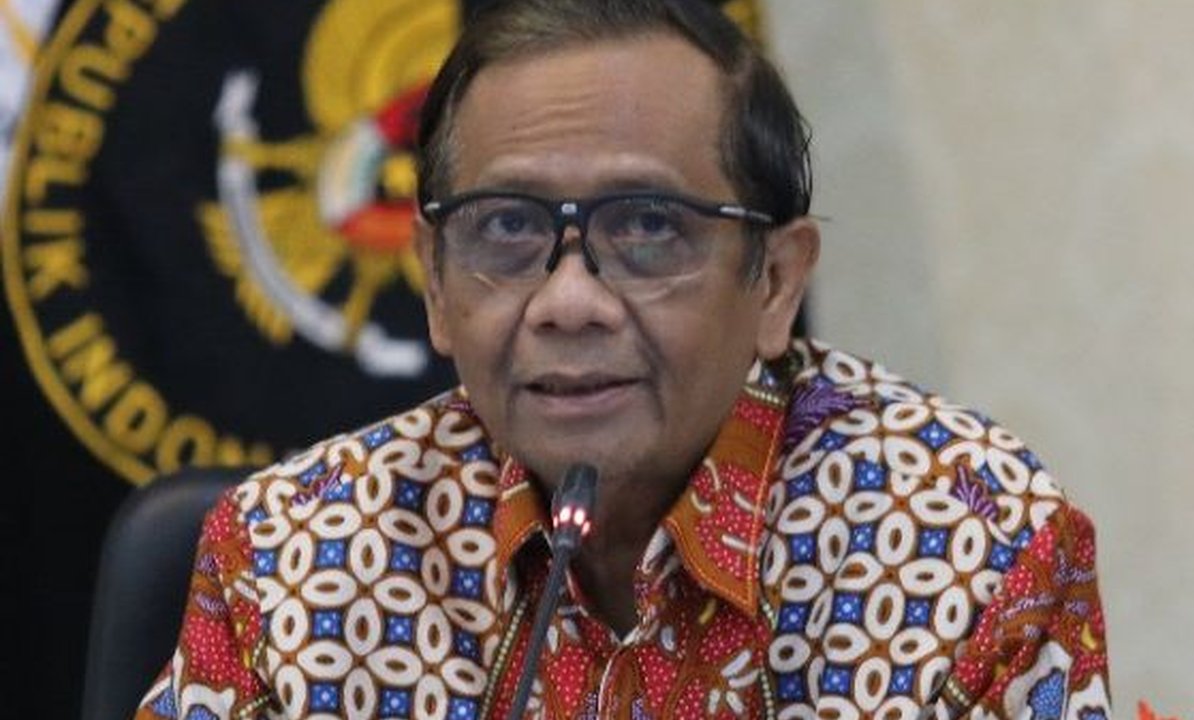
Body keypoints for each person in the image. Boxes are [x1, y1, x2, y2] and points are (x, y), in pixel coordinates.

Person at [136, 1, 1111, 718]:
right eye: (507, 227)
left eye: (647, 227)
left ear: (774, 281)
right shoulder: (292, 562)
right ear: (434, 280)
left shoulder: (967, 550)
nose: (569, 301)